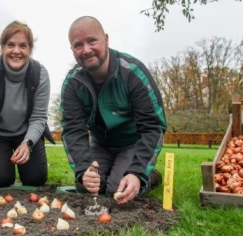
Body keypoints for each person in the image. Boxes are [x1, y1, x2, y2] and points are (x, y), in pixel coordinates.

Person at [60, 16, 167, 205]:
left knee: (117, 189)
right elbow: (72, 130)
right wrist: (83, 169)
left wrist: (136, 172)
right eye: (78, 45)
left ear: (106, 39)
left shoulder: (133, 73)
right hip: (101, 144)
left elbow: (153, 127)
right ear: (72, 50)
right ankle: (114, 171)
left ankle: (149, 176)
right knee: (86, 187)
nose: (86, 50)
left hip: (131, 143)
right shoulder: (72, 83)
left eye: (92, 41)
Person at [0, 21, 50, 189]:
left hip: (26, 133)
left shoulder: (40, 74)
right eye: (10, 45)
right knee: (0, 179)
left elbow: (39, 117)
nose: (16, 51)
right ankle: (0, 166)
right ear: (2, 47)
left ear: (30, 49)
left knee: (35, 179)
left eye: (23, 46)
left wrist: (28, 143)